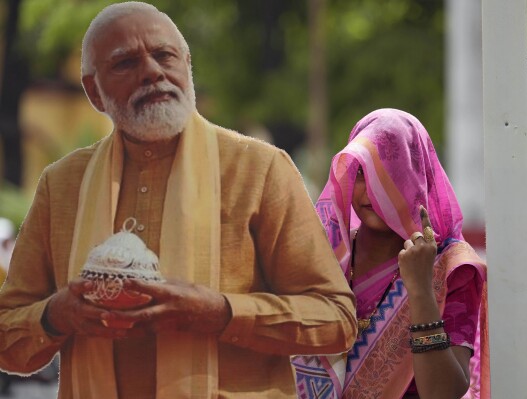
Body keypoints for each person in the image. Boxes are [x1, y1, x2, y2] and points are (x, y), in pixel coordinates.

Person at [0, 2, 357, 398]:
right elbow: (8, 341)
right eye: (125, 63)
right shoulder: (61, 185)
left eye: (164, 55)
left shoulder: (259, 169)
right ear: (93, 91)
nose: (152, 72)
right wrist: (56, 315)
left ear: (187, 65)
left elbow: (335, 319)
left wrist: (222, 314)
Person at [292, 109, 489, 398]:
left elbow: (443, 392)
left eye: (390, 175)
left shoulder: (451, 267)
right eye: (361, 173)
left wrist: (421, 289)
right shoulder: (328, 258)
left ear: (418, 180)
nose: (372, 190)